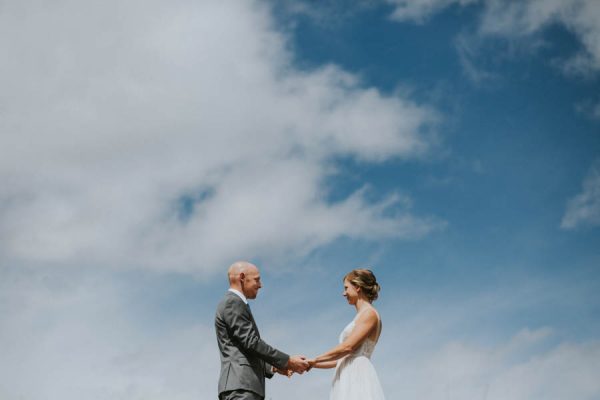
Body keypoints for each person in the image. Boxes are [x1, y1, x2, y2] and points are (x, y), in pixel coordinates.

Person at [215, 261, 310, 400]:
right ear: (242, 277)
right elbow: (251, 342)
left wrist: (274, 367)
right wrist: (288, 361)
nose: (260, 285)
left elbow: (244, 348)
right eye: (257, 280)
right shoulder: (232, 302)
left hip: (245, 387)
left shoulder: (235, 303)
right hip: (241, 386)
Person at [308, 269, 385, 400]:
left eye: (346, 288)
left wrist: (316, 358)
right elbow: (341, 359)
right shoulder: (361, 315)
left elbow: (348, 347)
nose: (344, 293)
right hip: (347, 372)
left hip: (357, 375)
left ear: (358, 287)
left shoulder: (369, 314)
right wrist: (312, 364)